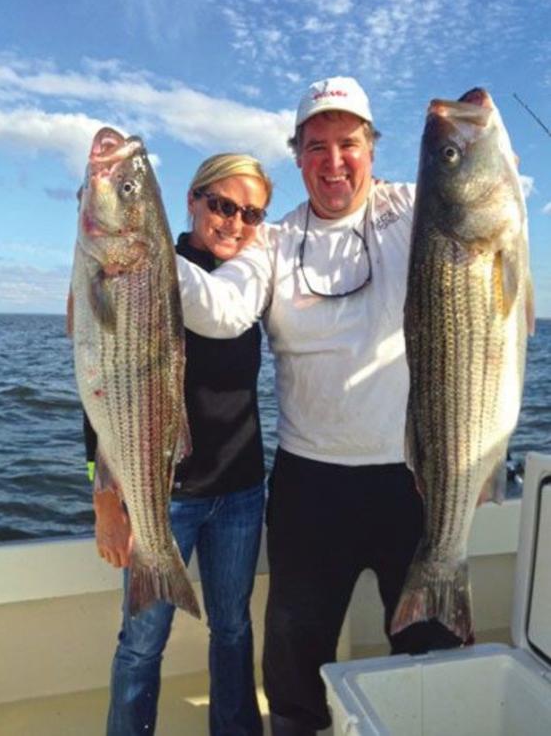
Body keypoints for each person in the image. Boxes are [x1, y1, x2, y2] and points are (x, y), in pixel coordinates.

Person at [175, 77, 463, 736]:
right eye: (315, 146)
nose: (333, 162)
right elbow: (221, 313)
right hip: (309, 486)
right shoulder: (271, 242)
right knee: (293, 665)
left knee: (427, 653)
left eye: (347, 144)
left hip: (415, 478)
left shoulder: (419, 211)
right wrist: (130, 258)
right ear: (297, 155)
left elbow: (485, 228)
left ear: (372, 147)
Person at [87, 152, 273, 736]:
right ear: (191, 201)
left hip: (242, 492)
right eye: (221, 205)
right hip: (163, 495)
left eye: (250, 213)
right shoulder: (145, 266)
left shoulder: (251, 279)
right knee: (142, 642)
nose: (233, 222)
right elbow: (100, 391)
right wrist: (104, 499)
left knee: (234, 629)